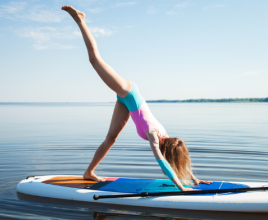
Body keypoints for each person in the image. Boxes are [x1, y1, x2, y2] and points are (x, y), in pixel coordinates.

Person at [61, 6, 211, 191]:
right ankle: (80, 20)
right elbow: (161, 162)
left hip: (126, 103)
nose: (171, 160)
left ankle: (88, 172)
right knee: (94, 59)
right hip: (129, 92)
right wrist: (181, 187)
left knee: (111, 138)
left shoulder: (164, 136)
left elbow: (174, 160)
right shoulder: (154, 135)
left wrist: (195, 179)